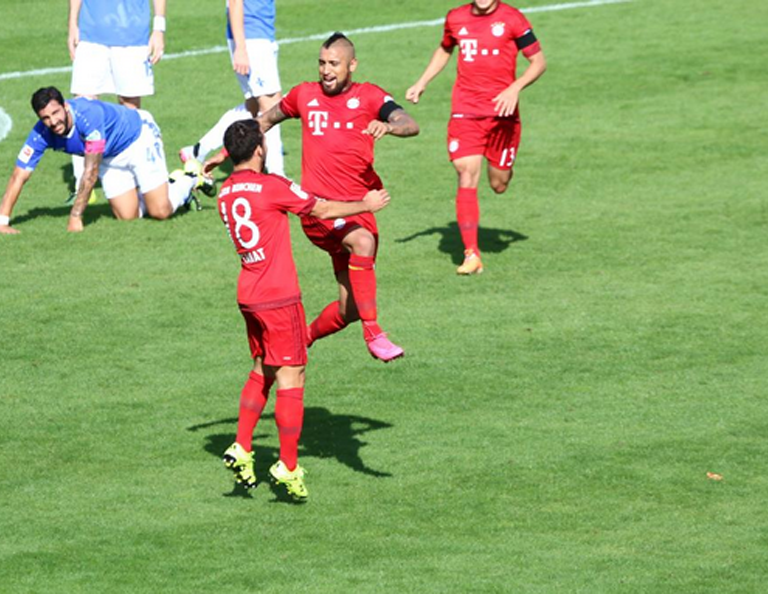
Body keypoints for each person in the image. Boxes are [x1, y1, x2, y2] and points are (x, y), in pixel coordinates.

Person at [211, 33, 419, 362]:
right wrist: (225, 153)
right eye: (321, 63)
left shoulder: (370, 97)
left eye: (333, 64)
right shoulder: (304, 95)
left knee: (350, 308)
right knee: (362, 243)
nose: (325, 70)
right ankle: (375, 334)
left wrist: (390, 127)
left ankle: (304, 337)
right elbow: (261, 122)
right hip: (320, 211)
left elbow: (409, 122)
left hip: (357, 209)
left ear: (352, 65)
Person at [217, 119, 390, 501]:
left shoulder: (226, 193)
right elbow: (322, 208)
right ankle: (288, 467)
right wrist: (367, 203)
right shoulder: (272, 186)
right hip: (279, 296)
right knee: (291, 377)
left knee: (263, 366)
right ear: (259, 149)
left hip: (248, 293)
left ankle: (242, 446)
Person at [406, 0, 546, 275]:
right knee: (466, 171)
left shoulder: (513, 19)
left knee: (499, 184)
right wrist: (422, 82)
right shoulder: (455, 18)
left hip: (502, 115)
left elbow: (538, 61)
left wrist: (515, 88)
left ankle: (504, 168)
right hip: (465, 112)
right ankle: (472, 254)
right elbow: (446, 48)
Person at [0, 87, 206, 234]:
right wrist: (2, 222)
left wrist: (76, 215)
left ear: (65, 106)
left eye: (56, 113)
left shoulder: (89, 117)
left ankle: (188, 179)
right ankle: (157, 190)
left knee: (160, 212)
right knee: (127, 217)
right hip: (110, 156)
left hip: (139, 139)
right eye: (45, 118)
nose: (53, 122)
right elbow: (19, 176)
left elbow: (90, 172)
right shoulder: (41, 134)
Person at [68, 0, 167, 197]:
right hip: (90, 35)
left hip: (132, 36)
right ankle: (82, 186)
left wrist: (159, 29)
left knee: (130, 109)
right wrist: (72, 23)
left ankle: (134, 179)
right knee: (82, 108)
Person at [180, 0, 285, 176]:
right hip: (251, 37)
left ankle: (198, 150)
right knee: (271, 106)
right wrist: (241, 48)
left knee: (254, 106)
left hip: (259, 33)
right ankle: (278, 176)